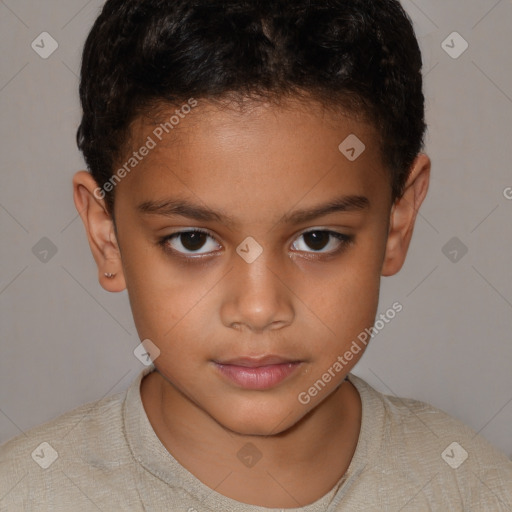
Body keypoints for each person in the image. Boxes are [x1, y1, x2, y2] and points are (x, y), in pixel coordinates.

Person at [1, 0, 511, 510]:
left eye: (317, 239)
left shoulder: (475, 489)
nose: (259, 309)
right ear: (106, 236)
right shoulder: (28, 494)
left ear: (396, 223)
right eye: (193, 240)